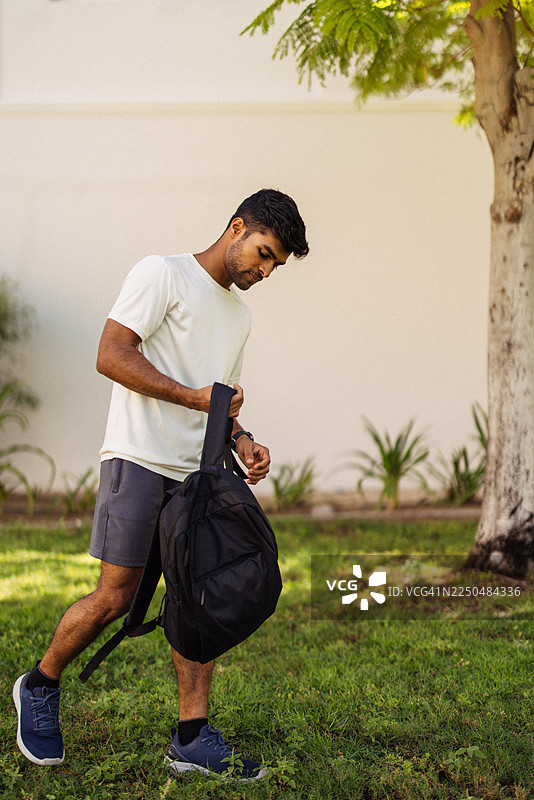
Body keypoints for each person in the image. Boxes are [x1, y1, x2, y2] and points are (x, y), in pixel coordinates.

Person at [12, 188, 309, 780]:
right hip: (139, 458)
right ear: (237, 227)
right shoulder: (162, 274)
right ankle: (40, 684)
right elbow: (111, 353)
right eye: (264, 252)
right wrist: (188, 396)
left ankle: (191, 737)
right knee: (115, 597)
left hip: (199, 475)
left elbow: (217, 400)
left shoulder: (239, 316)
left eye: (275, 264)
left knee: (199, 601)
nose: (265, 269)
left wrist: (242, 438)